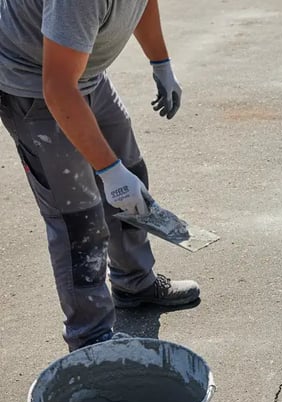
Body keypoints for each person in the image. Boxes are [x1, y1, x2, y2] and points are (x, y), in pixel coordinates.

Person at [0, 0, 200, 351]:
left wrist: (161, 62)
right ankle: (91, 340)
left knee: (131, 173)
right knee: (77, 219)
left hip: (83, 75)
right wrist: (108, 171)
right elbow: (58, 88)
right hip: (33, 82)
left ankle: (134, 283)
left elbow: (142, 4)